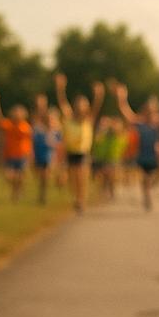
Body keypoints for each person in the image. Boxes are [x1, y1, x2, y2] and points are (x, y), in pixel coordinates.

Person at [54, 73, 104, 213]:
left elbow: (96, 106)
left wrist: (98, 95)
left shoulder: (88, 120)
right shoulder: (69, 118)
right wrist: (60, 88)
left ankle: (81, 200)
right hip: (70, 152)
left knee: (82, 177)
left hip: (83, 153)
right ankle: (77, 198)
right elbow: (62, 102)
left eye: (83, 104)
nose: (80, 106)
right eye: (78, 104)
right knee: (73, 179)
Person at [114, 82, 159, 212]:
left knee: (155, 174)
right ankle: (147, 197)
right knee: (146, 178)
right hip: (143, 155)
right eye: (148, 110)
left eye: (153, 109)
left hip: (156, 155)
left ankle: (151, 187)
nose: (150, 112)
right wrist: (122, 98)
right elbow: (126, 112)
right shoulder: (140, 122)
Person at [0, 90, 33, 203]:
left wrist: (30, 156)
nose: (17, 114)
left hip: (22, 156)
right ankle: (16, 191)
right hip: (10, 155)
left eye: (19, 112)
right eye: (15, 112)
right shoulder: (8, 125)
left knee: (20, 177)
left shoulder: (26, 127)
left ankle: (17, 193)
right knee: (10, 176)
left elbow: (30, 142)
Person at [31, 95, 57, 205]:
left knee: (46, 176)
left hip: (49, 157)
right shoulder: (38, 128)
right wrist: (41, 106)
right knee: (41, 177)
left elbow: (57, 144)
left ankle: (43, 195)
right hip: (38, 156)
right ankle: (42, 194)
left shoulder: (54, 130)